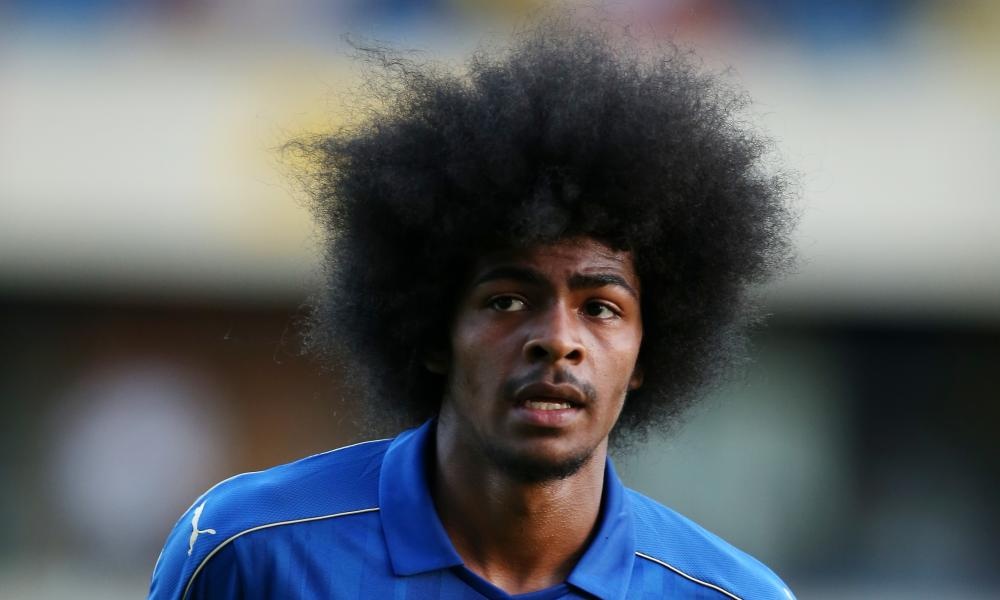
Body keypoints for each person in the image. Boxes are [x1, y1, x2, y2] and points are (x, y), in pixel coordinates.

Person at [149, 21, 796, 600]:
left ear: (648, 353)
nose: (558, 340)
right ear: (436, 331)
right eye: (507, 301)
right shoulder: (249, 551)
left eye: (601, 308)